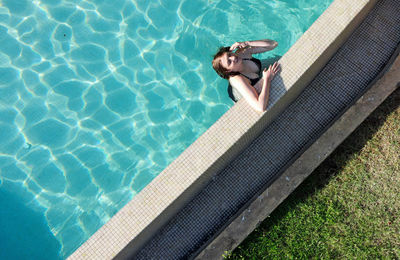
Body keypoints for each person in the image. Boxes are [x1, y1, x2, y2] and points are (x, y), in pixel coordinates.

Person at [212, 39, 280, 112]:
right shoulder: (237, 80)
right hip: (238, 94)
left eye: (229, 55)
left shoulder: (242, 54)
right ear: (228, 70)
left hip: (253, 78)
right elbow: (260, 107)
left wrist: (247, 43)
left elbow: (273, 44)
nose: (233, 58)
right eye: (229, 62)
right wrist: (267, 79)